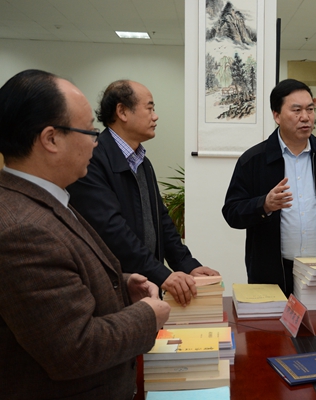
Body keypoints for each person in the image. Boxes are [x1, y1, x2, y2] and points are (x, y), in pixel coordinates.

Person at [0, 69, 170, 399]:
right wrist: (148, 316)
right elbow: (75, 348)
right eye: (89, 131)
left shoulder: (47, 199)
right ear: (51, 139)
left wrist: (122, 283)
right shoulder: (22, 230)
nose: (96, 141)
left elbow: (65, 278)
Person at [68, 80, 218, 307]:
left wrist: (188, 265)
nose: (155, 116)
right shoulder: (94, 159)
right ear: (122, 112)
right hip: (114, 290)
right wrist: (162, 274)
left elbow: (161, 220)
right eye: (149, 108)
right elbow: (112, 230)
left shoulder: (142, 162)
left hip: (146, 285)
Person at [222, 79, 316, 297]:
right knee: (271, 320)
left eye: (310, 109)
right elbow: (232, 212)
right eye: (296, 110)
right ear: (277, 115)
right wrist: (264, 205)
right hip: (271, 273)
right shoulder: (253, 160)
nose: (305, 117)